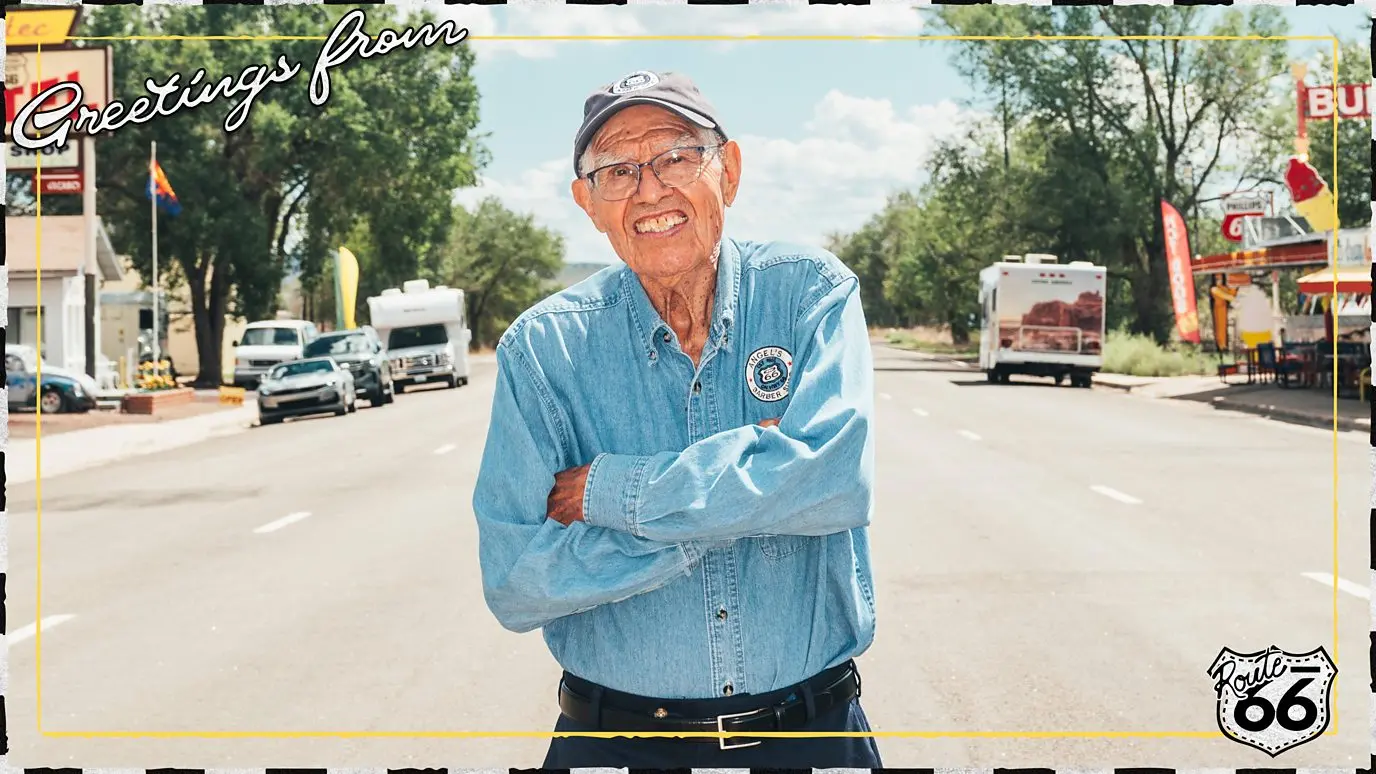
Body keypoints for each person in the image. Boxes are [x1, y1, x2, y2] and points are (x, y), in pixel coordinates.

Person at [471, 70, 880, 768]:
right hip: (613, 745)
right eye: (618, 171)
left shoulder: (811, 293)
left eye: (676, 156)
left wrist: (615, 495)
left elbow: (836, 481)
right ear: (589, 203)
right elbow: (515, 582)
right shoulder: (542, 351)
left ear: (730, 172)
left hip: (812, 737)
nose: (651, 189)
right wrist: (751, 498)